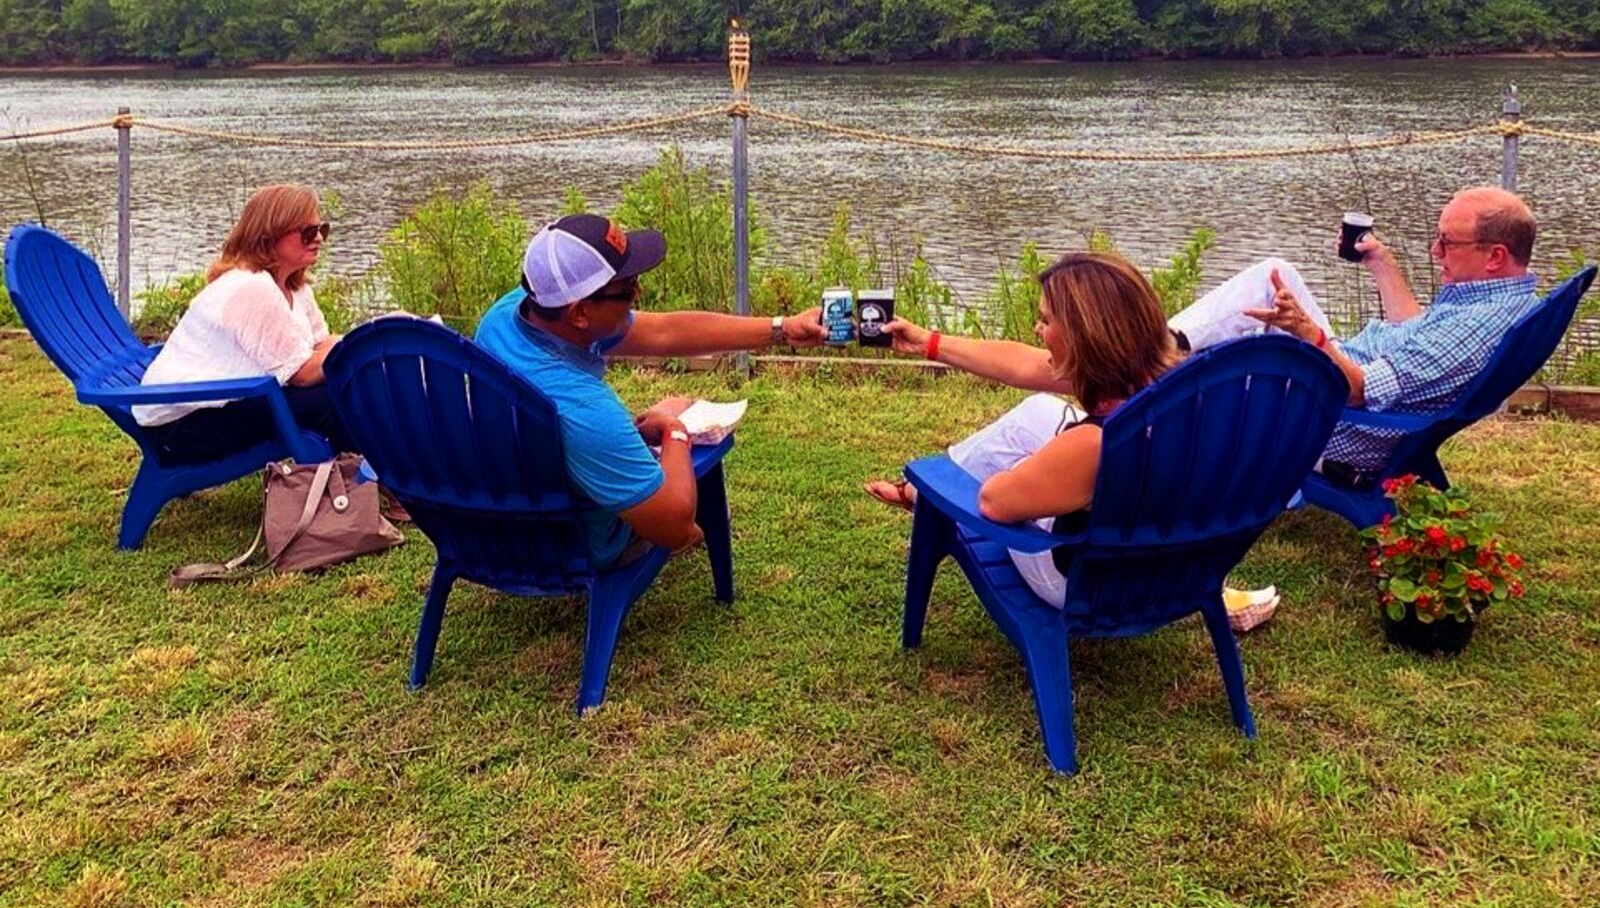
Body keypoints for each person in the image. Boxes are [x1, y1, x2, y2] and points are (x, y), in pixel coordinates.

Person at [857, 252, 1279, 617]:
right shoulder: (1180, 386)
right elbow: (1024, 364)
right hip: (1177, 570)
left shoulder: (1095, 442)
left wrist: (1035, 467)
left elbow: (995, 502)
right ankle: (921, 497)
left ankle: (931, 498)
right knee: (1040, 411)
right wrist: (929, 342)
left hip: (1090, 586)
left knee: (1018, 470)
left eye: (1045, 320)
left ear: (1085, 337)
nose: (1038, 330)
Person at [475, 212, 826, 568]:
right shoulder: (584, 410)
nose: (638, 294)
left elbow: (663, 332)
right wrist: (674, 429)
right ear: (580, 313)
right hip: (570, 547)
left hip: (502, 520)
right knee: (689, 524)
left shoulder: (509, 315)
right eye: (627, 290)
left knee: (670, 409)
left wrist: (783, 327)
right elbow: (674, 526)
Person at [1167, 185, 1538, 484]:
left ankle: (1148, 362)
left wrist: (1309, 334)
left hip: (1327, 412)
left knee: (1220, 365)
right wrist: (1381, 262)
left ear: (1495, 256)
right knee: (1274, 274)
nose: (1435, 251)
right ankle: (1165, 347)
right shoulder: (1497, 302)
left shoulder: (1471, 329)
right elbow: (1411, 330)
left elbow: (1358, 392)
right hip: (1337, 369)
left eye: (1447, 242)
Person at [135, 183, 355, 460]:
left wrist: (361, 345)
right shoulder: (251, 288)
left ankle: (383, 477)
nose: (319, 239)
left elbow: (322, 344)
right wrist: (363, 349)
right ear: (269, 237)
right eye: (308, 232)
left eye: (322, 229)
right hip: (182, 426)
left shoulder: (294, 288)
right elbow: (302, 373)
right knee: (337, 401)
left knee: (350, 387)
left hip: (223, 401)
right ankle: (396, 483)